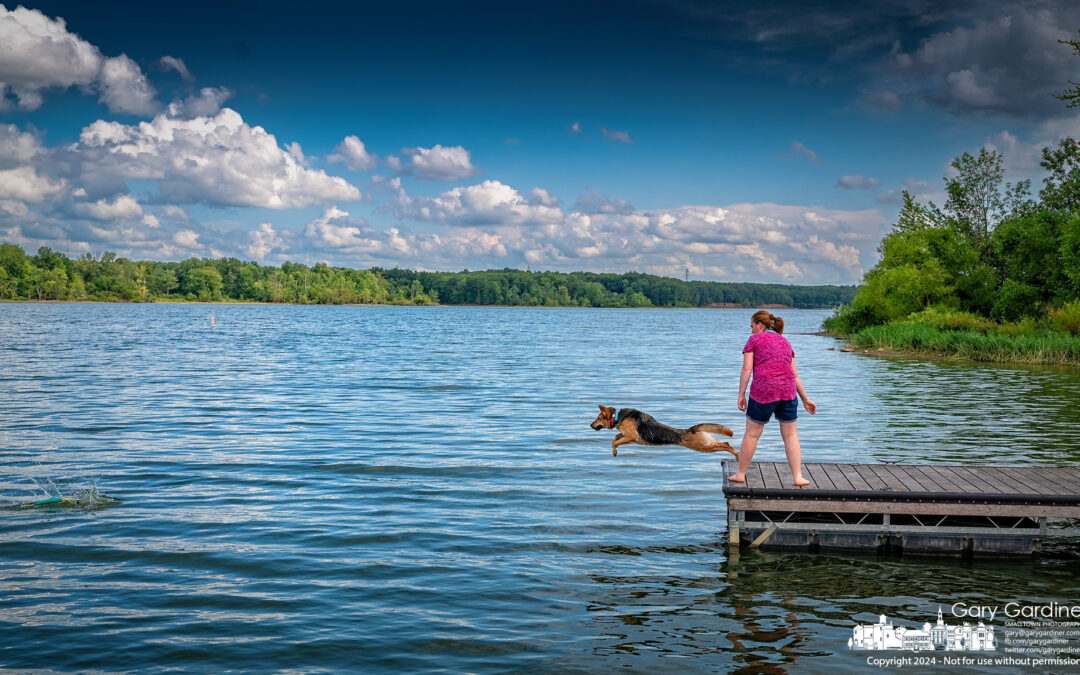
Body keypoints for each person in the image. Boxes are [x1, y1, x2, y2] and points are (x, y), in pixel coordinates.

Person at [728, 310, 816, 487]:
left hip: (764, 391)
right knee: (791, 435)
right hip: (788, 391)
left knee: (752, 434)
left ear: (760, 325)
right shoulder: (785, 342)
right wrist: (806, 399)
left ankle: (740, 474)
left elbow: (746, 370)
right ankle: (798, 477)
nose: (751, 330)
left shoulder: (754, 340)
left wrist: (741, 394)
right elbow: (794, 375)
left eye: (752, 326)